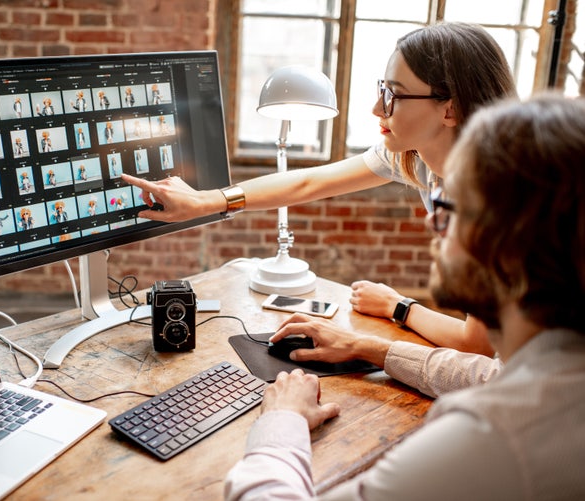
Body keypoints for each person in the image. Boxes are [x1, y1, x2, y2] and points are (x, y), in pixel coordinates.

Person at [224, 93, 585, 500]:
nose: (433, 221)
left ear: (509, 242)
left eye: (452, 204)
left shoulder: (498, 436)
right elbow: (490, 374)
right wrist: (370, 347)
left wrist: (282, 421)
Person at [123, 22, 516, 356]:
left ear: (450, 109)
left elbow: (476, 344)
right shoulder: (416, 157)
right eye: (383, 90)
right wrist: (205, 201)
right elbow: (310, 181)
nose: (377, 109)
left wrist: (398, 307)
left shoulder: (494, 196)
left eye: (394, 95)